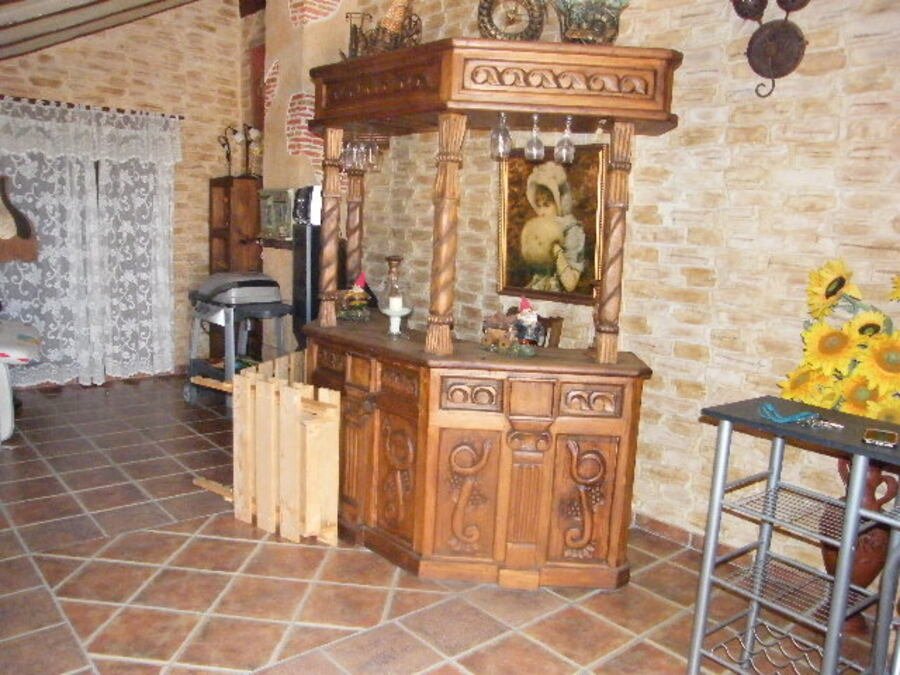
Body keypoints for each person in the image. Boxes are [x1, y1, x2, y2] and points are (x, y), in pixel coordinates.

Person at [519, 161, 585, 293]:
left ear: (559, 203)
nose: (541, 212)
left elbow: (570, 284)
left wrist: (556, 249)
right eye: (539, 206)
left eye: (546, 205)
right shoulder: (542, 229)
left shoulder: (573, 230)